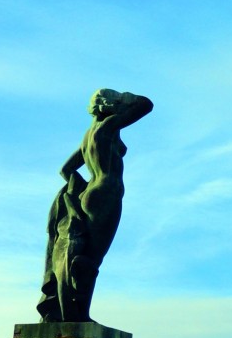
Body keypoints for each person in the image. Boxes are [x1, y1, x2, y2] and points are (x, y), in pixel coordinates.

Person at [37, 89, 153, 322]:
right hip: (107, 192)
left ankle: (73, 311)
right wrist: (124, 99)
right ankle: (79, 314)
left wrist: (79, 192)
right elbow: (145, 105)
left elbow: (66, 170)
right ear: (109, 105)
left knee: (85, 256)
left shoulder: (89, 135)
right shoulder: (107, 126)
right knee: (91, 260)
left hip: (91, 193)